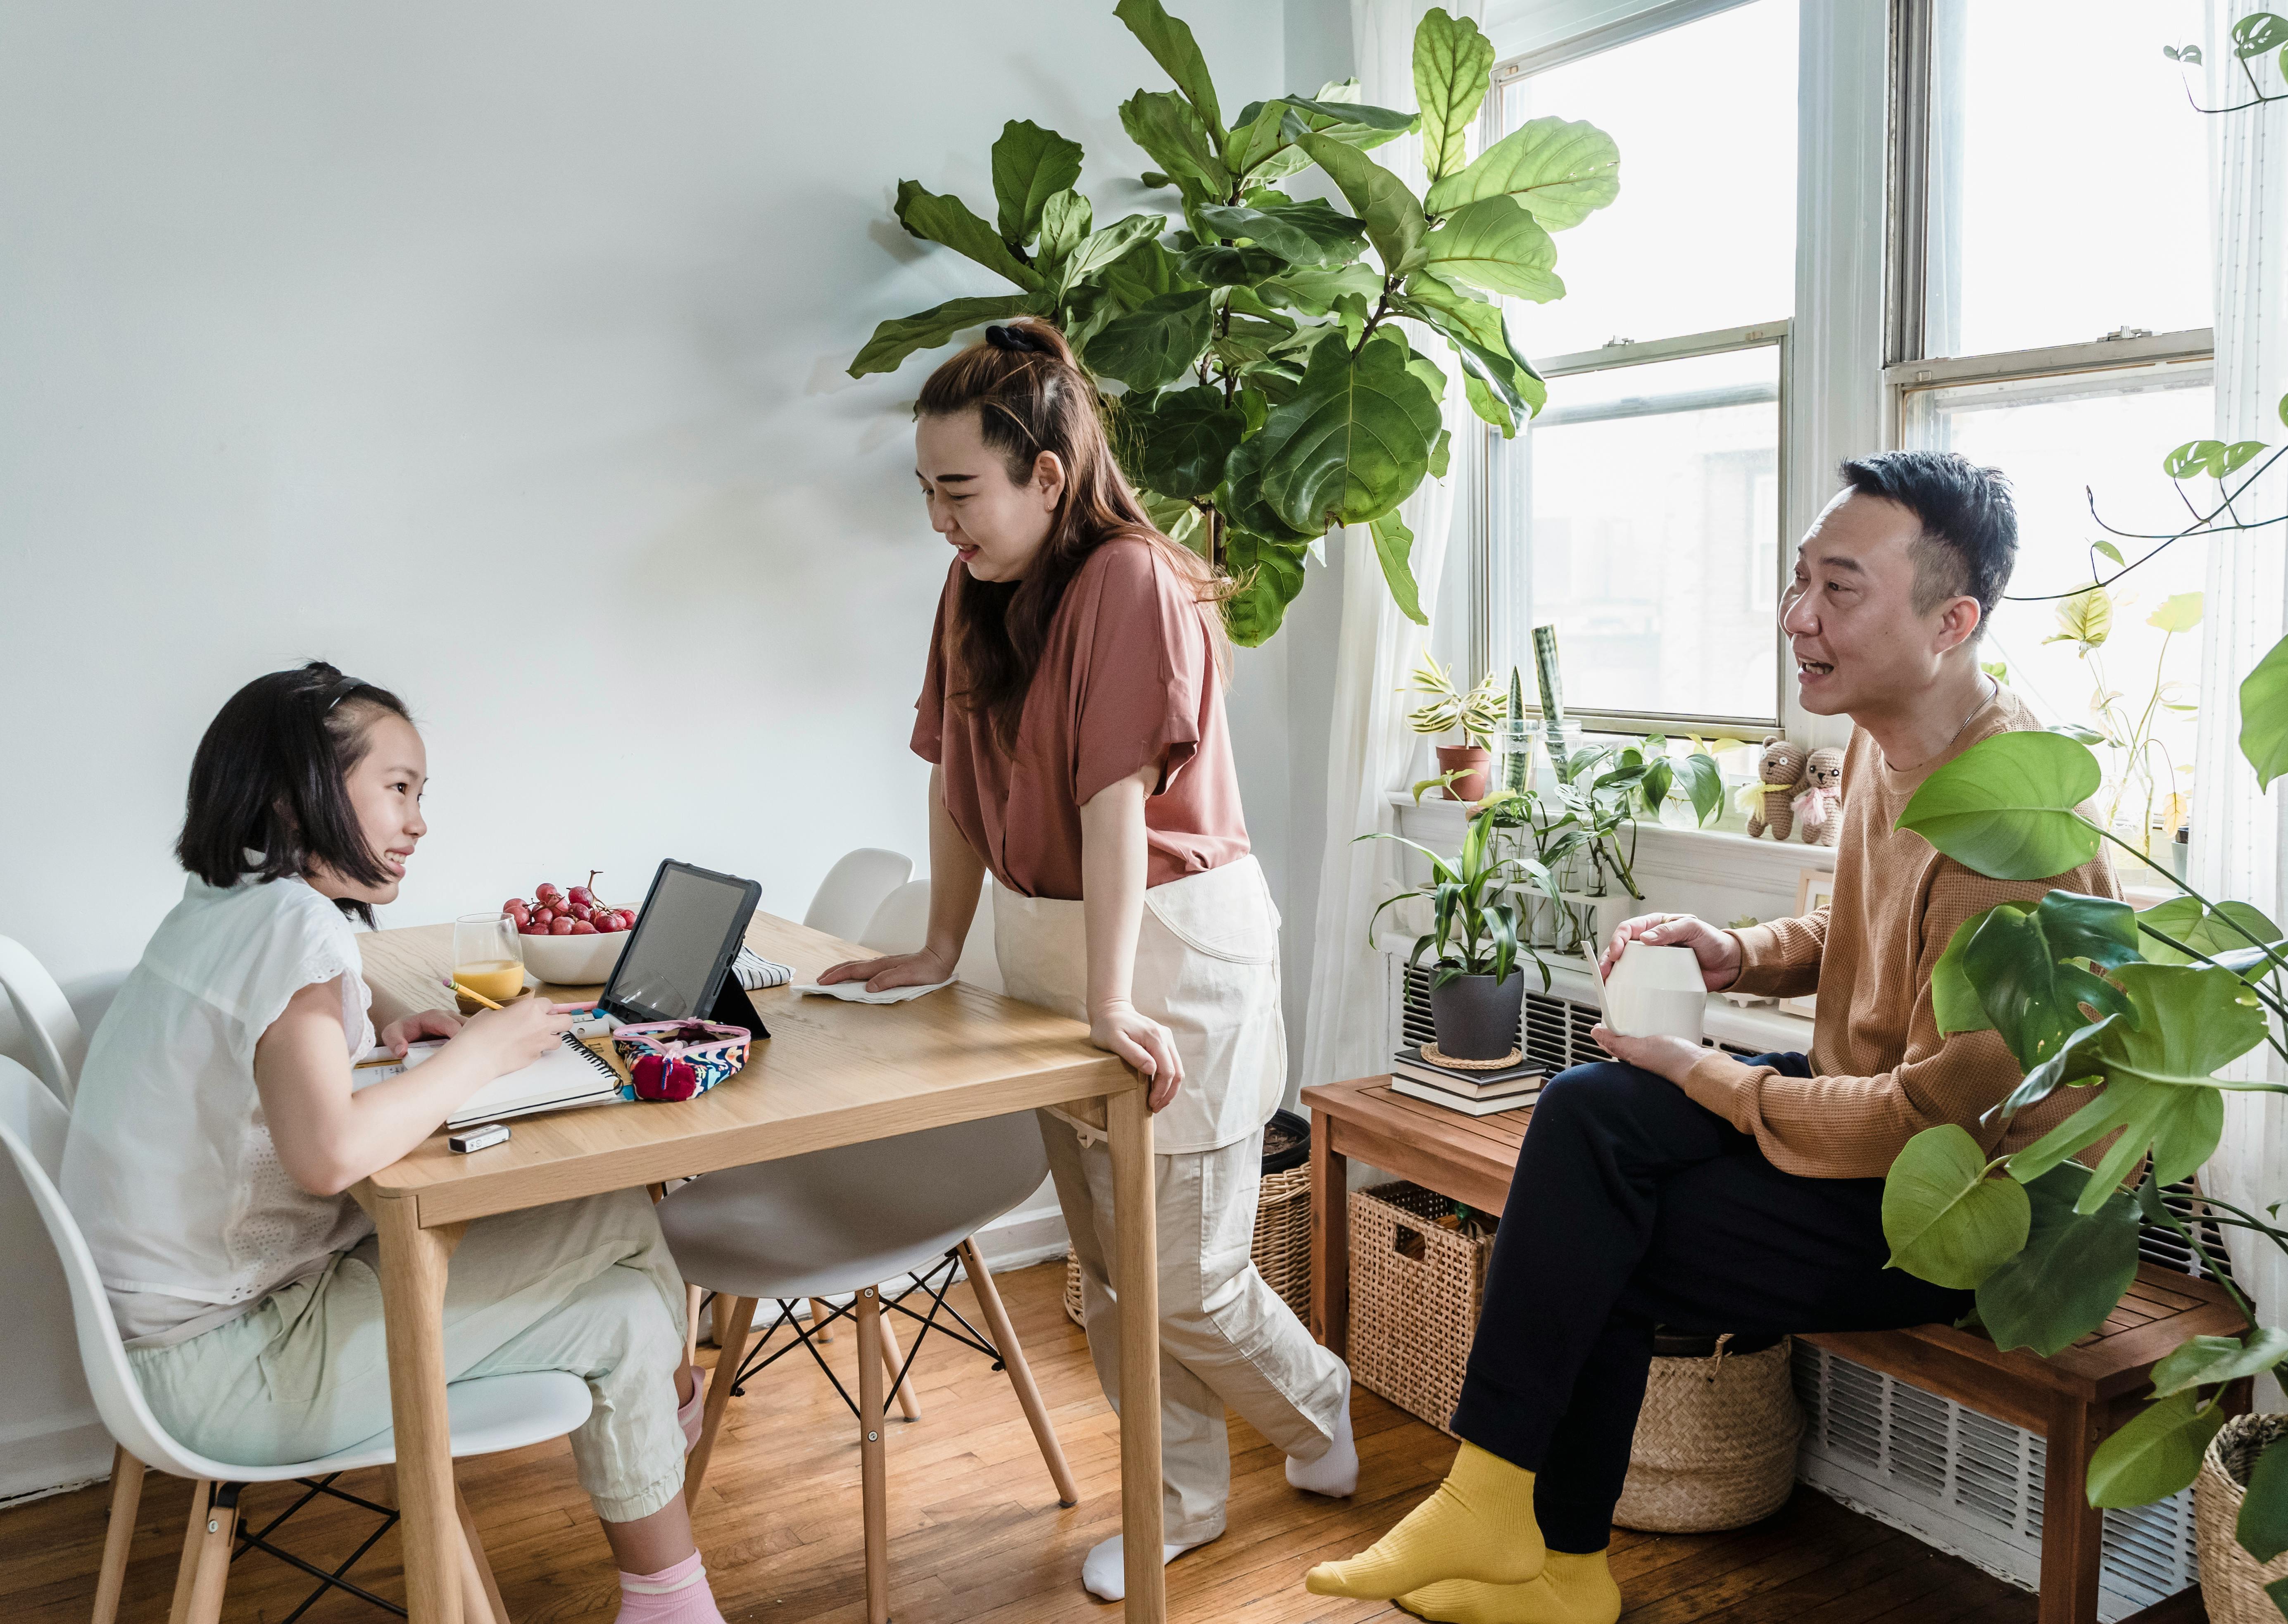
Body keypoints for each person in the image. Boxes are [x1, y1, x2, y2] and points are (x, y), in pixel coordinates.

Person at [1306, 452, 2122, 1624]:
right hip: (1874, 1121)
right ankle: (1524, 1530)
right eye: (1799, 583)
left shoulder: (2019, 827)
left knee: (1610, 1229)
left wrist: (1714, 1073)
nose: (1799, 618)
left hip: (1967, 1207)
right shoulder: (1889, 744)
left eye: (1840, 590)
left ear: (1955, 620)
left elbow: (1936, 1118)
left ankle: (1541, 1545)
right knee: (1590, 1109)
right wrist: (1735, 951)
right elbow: (1855, 932)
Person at [820, 319, 1356, 1601]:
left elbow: (1117, 801)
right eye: (929, 492)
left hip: (1169, 945)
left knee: (1191, 1274)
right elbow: (957, 774)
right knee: (1112, 1270)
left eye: (960, 490)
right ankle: (1179, 1498)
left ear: (1047, 475)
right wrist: (941, 945)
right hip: (1044, 946)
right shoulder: (971, 588)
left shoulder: (1128, 581)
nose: (941, 520)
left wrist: (1113, 997)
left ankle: (1319, 1404)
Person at [61, 663, 728, 1624]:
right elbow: (328, 1156)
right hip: (230, 1369)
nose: (418, 822)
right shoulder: (292, 923)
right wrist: (486, 1052)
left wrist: (385, 1027)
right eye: (399, 788)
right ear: (300, 798)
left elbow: (275, 1054)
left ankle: (670, 1546)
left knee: (617, 1254)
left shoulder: (220, 903)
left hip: (180, 1347)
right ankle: (671, 1458)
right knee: (625, 1280)